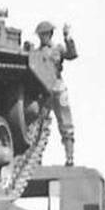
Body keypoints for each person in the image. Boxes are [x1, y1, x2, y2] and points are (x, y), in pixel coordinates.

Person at [33, 20, 77, 165]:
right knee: (39, 124)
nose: (43, 37)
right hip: (43, 91)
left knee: (66, 123)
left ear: (50, 34)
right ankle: (36, 159)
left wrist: (67, 38)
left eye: (45, 34)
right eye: (41, 35)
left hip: (58, 88)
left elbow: (72, 54)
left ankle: (69, 156)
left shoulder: (58, 49)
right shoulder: (36, 53)